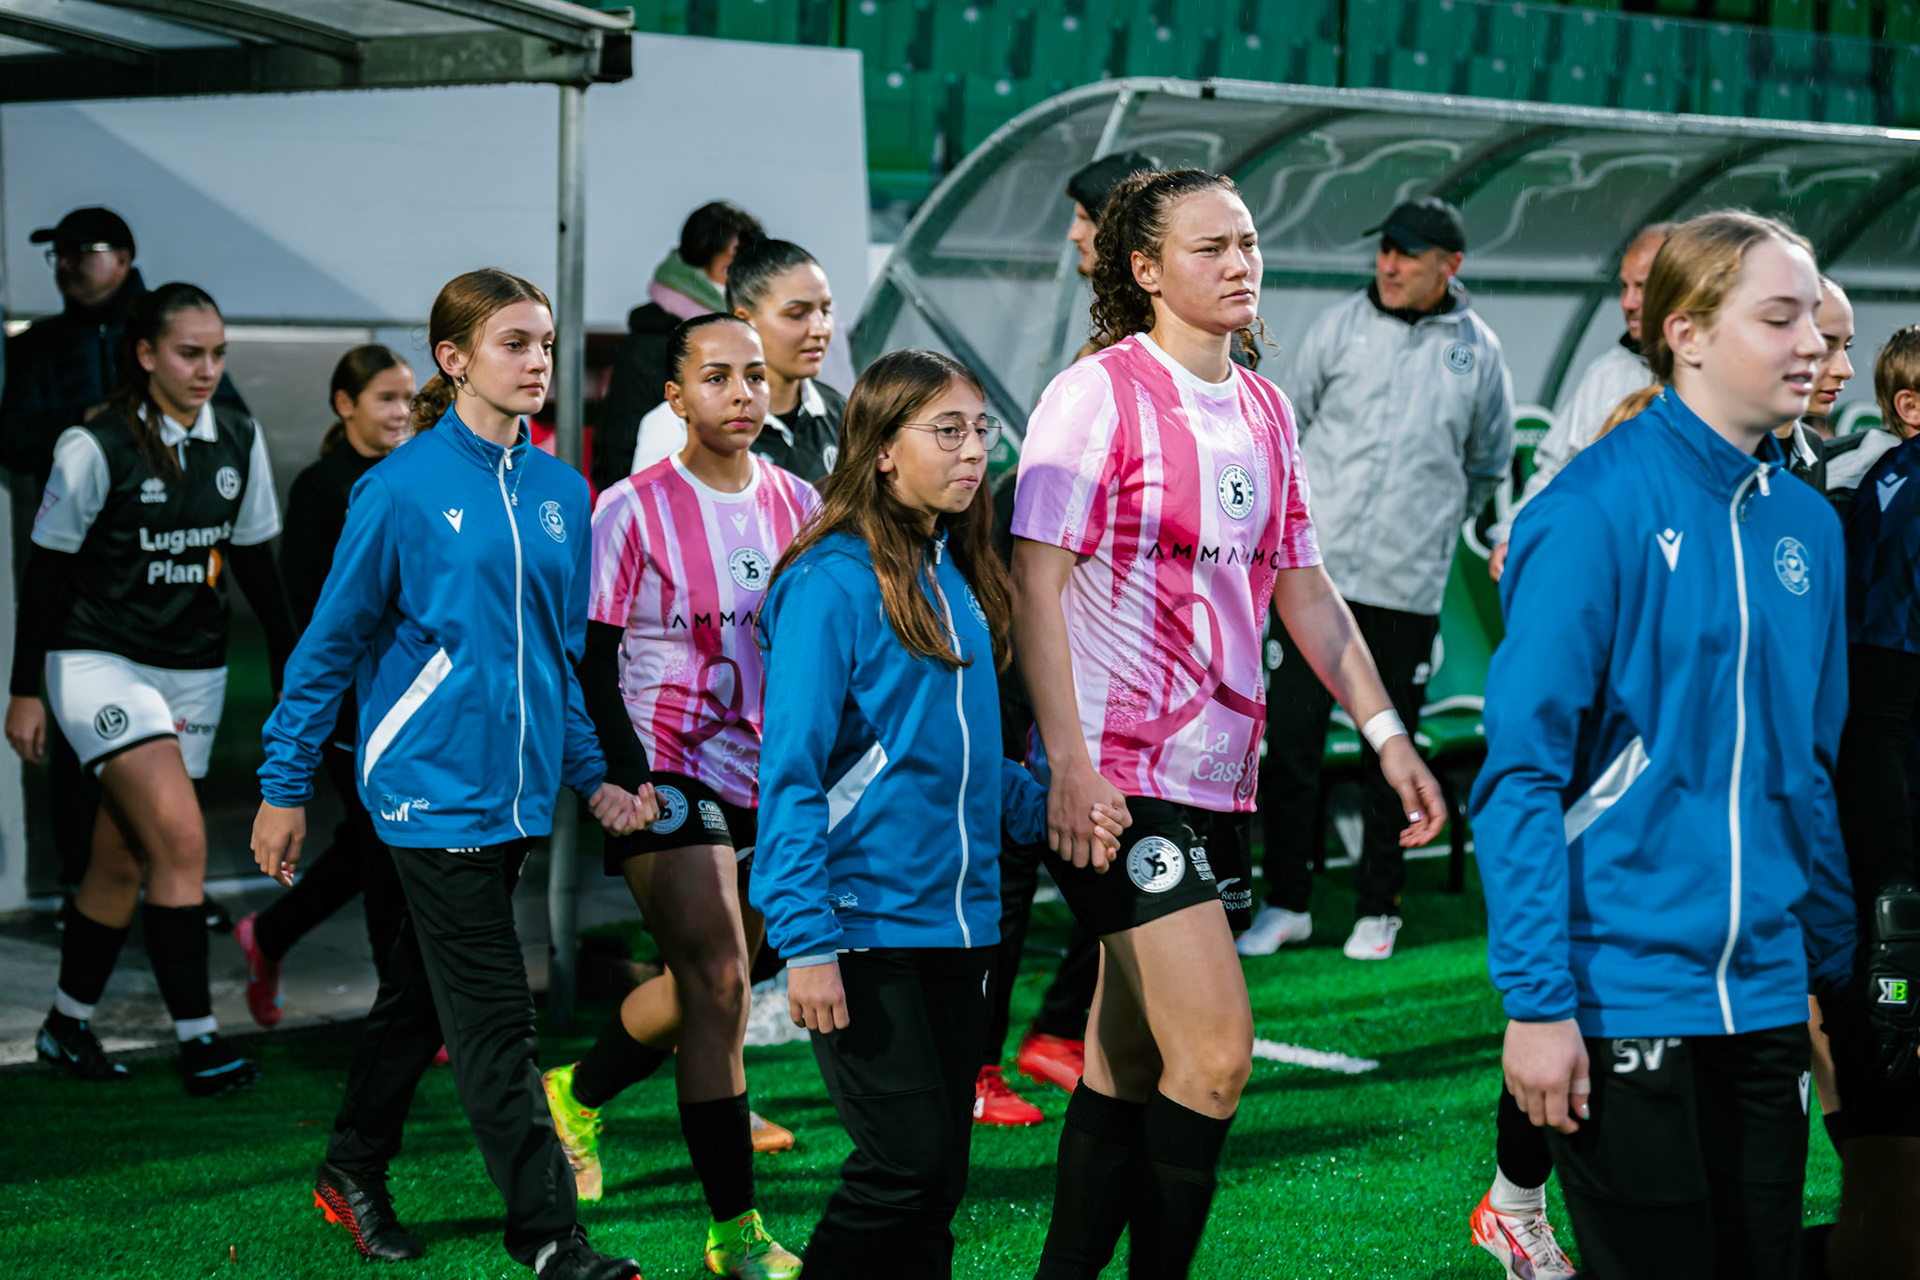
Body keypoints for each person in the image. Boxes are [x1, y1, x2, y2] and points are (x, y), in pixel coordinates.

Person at [1013, 169, 1445, 1278]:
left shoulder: (1264, 406)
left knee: (1122, 1057)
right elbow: (1036, 582)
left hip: (1219, 778)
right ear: (1144, 270)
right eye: (1210, 247)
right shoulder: (1096, 393)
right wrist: (1068, 762)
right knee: (1213, 1057)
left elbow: (1303, 586)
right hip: (1121, 778)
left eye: (1249, 242)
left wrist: (1388, 731)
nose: (1241, 262)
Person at [1473, 211, 1856, 1280]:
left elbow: (1808, 768)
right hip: (1622, 989)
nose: (1811, 345)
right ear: (1685, 333)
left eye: (1813, 322)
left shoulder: (1810, 528)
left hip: (1768, 993)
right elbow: (1521, 777)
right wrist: (1539, 1003)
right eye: (1777, 318)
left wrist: (1825, 960)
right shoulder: (1593, 509)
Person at [253, 269, 648, 1280]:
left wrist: (590, 773)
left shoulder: (565, 491)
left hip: (515, 796)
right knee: (494, 1017)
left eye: (546, 344)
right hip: (426, 792)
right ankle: (553, 1236)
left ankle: (350, 1163)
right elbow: (327, 643)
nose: (536, 363)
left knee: (422, 996)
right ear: (454, 357)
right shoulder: (397, 487)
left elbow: (555, 657)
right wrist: (284, 780)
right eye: (514, 343)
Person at [753, 347, 1125, 1278]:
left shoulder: (954, 572)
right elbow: (790, 775)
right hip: (861, 927)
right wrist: (804, 942)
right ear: (881, 448)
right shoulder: (830, 581)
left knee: (938, 1183)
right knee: (904, 1171)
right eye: (947, 431)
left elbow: (959, 766)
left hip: (961, 927)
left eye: (980, 432)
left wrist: (1056, 808)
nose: (973, 453)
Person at [541, 314, 812, 1279]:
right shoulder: (631, 507)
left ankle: (576, 1091)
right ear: (675, 396)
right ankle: (734, 1233)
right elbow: (594, 655)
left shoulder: (799, 502)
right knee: (722, 982)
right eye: (716, 378)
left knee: (734, 973)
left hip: (766, 772)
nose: (742, 393)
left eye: (753, 377)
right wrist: (625, 778)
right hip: (665, 766)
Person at [8, 281, 294, 1095]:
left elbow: (257, 570)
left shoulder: (238, 436)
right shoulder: (92, 446)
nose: (207, 369)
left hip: (194, 669)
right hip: (99, 660)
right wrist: (24, 689)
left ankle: (65, 1027)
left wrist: (294, 670)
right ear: (145, 355)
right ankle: (199, 1040)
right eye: (189, 353)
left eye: (218, 353)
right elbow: (47, 577)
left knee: (122, 855)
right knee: (181, 841)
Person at [1238, 195, 1512, 964]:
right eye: (1384, 249)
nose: (1388, 265)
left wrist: (1428, 525)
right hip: (1310, 577)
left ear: (1449, 266)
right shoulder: (1337, 327)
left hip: (1404, 588)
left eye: (1408, 253)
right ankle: (1288, 900)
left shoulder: (1479, 350)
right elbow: (1289, 427)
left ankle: (1378, 906)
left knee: (1385, 750)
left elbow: (1488, 460)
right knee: (1287, 746)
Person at [975, 147, 1161, 1130]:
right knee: (1020, 843)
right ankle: (978, 1061)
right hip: (1042, 649)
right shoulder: (1094, 373)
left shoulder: (1197, 369)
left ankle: (1057, 1031)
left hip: (1122, 672)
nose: (1074, 241)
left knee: (1121, 840)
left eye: (1084, 222)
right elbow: (1038, 547)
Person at [0, 206, 250, 921]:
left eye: (85, 251)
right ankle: (92, 892)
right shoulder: (40, 345)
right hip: (89, 597)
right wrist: (96, 428)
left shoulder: (176, 326)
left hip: (176, 601)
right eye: (59, 254)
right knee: (86, 769)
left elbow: (222, 432)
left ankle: (169, 886)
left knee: (167, 775)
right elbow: (14, 437)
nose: (68, 264)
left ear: (125, 256)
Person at [233, 346, 416, 1026]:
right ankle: (401, 1018)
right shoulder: (324, 486)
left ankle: (269, 934)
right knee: (382, 851)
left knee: (368, 842)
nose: (402, 411)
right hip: (347, 707)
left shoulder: (415, 476)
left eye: (408, 397)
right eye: (386, 399)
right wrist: (304, 719)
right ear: (346, 406)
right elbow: (304, 615)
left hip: (406, 703)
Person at [1821, 323, 1920, 1279]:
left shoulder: (1858, 477)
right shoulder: (1884, 482)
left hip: (1875, 717)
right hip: (1882, 716)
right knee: (1893, 927)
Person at [1487, 223, 1669, 582]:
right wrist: (1515, 534)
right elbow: (1558, 472)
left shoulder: (1718, 375)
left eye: (1643, 288)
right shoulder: (1607, 374)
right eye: (1624, 287)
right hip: (1605, 577)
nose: (1628, 303)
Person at [631, 236, 842, 485]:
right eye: (797, 314)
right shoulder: (679, 424)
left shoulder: (843, 415)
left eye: (826, 311)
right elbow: (651, 516)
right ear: (745, 319)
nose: (820, 329)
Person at [595, 200, 765, 494]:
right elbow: (620, 450)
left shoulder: (752, 336)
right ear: (700, 262)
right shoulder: (654, 341)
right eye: (731, 267)